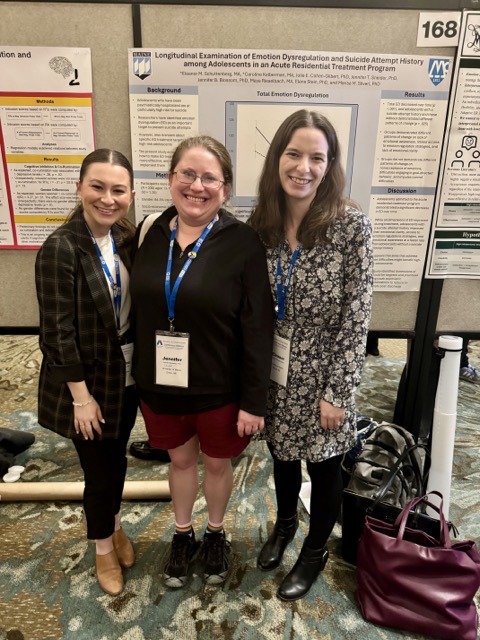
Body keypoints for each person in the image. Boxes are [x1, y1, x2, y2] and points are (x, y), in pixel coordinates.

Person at [130, 135, 273, 588]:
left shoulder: (243, 241)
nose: (197, 185)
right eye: (187, 174)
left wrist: (254, 401)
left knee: (215, 463)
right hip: (160, 384)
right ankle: (182, 533)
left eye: (209, 177)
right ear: (171, 179)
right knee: (179, 462)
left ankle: (214, 533)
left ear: (225, 188)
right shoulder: (149, 230)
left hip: (218, 387)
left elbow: (258, 328)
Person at [249, 110, 373, 601]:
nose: (304, 166)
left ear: (330, 164)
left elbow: (357, 313)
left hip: (326, 372)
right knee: (282, 456)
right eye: (294, 153)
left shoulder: (350, 226)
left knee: (323, 467)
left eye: (316, 157)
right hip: (276, 368)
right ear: (278, 157)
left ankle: (315, 548)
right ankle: (283, 526)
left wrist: (338, 391)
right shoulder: (261, 225)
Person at [35, 149, 138, 597]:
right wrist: (81, 397)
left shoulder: (125, 238)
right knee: (98, 474)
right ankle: (101, 548)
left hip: (124, 379)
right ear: (79, 188)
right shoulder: (60, 247)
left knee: (116, 464)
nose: (108, 198)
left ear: (130, 195)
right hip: (86, 388)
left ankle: (114, 527)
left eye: (118, 190)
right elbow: (56, 334)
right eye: (98, 186)